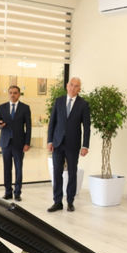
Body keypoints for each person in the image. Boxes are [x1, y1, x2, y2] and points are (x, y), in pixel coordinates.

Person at [46, 77, 91, 212]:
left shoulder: (83, 104)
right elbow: (52, 122)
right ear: (67, 86)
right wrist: (50, 141)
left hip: (73, 144)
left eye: (76, 86)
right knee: (57, 173)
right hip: (58, 143)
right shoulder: (59, 101)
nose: (73, 88)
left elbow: (87, 127)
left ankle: (70, 202)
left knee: (72, 173)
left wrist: (85, 145)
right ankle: (57, 202)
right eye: (71, 85)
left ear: (79, 89)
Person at [0, 85, 32, 201]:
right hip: (5, 143)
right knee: (7, 168)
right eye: (10, 92)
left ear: (19, 94)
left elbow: (29, 127)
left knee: (18, 169)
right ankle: (8, 192)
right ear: (8, 94)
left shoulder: (25, 108)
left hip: (19, 143)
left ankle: (17, 193)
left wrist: (27, 143)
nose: (12, 95)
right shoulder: (2, 107)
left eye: (15, 93)